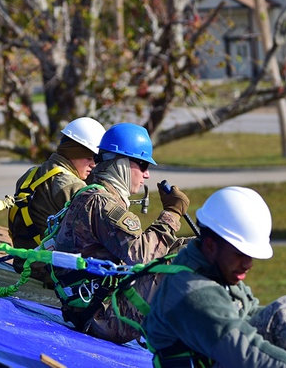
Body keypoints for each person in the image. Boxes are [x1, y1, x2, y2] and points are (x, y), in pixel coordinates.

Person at [142, 186, 286, 368]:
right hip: (229, 358)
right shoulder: (193, 292)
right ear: (210, 246)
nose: (248, 264)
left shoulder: (215, 270)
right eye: (240, 254)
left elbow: (248, 313)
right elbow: (248, 355)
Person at [53, 122, 193, 344]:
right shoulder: (101, 202)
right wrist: (172, 213)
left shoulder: (96, 195)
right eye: (143, 165)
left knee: (194, 248)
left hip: (97, 306)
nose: (147, 175)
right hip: (100, 317)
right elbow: (142, 256)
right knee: (191, 261)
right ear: (121, 163)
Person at [8, 117, 106, 286]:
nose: (93, 165)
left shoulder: (32, 174)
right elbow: (98, 234)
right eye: (90, 157)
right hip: (47, 274)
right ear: (75, 153)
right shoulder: (71, 185)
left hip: (24, 264)